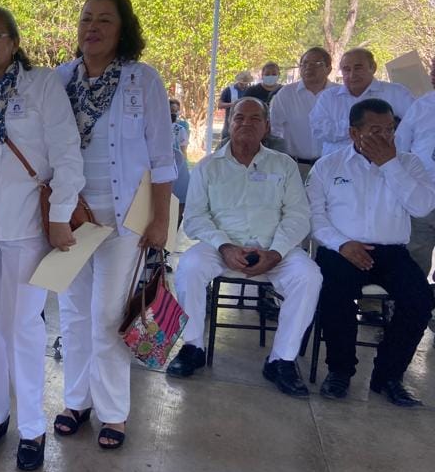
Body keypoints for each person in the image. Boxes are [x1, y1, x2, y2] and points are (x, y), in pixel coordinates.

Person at [0, 5, 84, 471]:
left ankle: (32, 427)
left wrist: (61, 216)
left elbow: (67, 155)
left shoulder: (41, 86)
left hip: (27, 227)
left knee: (24, 327)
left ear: (13, 42)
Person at [52, 0, 174, 450]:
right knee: (72, 314)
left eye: (104, 20)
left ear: (123, 30)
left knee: (107, 316)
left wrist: (160, 220)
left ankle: (113, 413)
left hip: (125, 220)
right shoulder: (61, 80)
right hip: (72, 218)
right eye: (86, 19)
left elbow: (162, 158)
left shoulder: (142, 80)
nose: (92, 28)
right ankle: (76, 402)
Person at [169, 98, 320, 394]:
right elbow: (195, 217)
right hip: (221, 247)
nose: (246, 124)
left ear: (267, 127)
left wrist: (276, 252)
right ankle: (192, 347)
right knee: (189, 266)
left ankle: (281, 359)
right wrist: (224, 246)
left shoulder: (284, 165)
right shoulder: (208, 166)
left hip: (274, 249)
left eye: (254, 119)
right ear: (229, 123)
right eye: (239, 118)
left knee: (309, 276)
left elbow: (299, 215)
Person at [308, 98, 435, 406]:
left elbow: (421, 206)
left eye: (390, 129)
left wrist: (390, 164)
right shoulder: (329, 165)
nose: (385, 136)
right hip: (340, 249)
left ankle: (388, 376)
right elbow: (314, 216)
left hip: (391, 253)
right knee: (334, 293)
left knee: (420, 300)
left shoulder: (409, 164)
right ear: (354, 133)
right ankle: (340, 370)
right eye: (376, 130)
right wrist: (342, 244)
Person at [310, 47, 414, 157]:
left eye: (358, 68)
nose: (352, 74)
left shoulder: (397, 93)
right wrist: (363, 125)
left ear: (373, 67)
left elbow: (413, 128)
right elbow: (319, 131)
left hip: (384, 163)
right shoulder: (328, 97)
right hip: (337, 164)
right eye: (346, 69)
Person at [269, 47, 337, 180]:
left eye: (316, 63)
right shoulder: (286, 94)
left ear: (329, 69)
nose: (309, 67)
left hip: (332, 166)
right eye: (304, 64)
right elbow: (274, 129)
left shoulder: (339, 94)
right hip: (296, 167)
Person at [397, 59, 435, 281]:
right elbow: (400, 148)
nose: (433, 75)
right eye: (433, 70)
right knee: (416, 259)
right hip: (424, 195)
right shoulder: (421, 106)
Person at [219, 70, 253, 140]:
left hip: (245, 124)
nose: (244, 86)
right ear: (238, 81)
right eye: (242, 84)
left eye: (246, 84)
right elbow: (220, 105)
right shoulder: (229, 90)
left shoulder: (251, 91)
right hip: (230, 123)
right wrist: (232, 104)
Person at [170, 97, 190, 211]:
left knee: (179, 198)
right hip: (166, 165)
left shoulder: (181, 129)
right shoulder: (156, 128)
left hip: (178, 166)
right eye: (171, 111)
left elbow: (183, 150)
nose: (173, 114)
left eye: (175, 111)